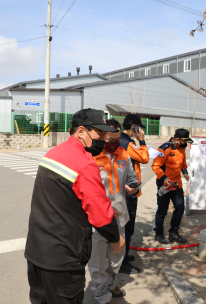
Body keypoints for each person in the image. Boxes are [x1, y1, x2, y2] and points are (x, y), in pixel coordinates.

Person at [25, 108, 125, 304]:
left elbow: (63, 198)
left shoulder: (54, 153)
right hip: (64, 257)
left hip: (36, 251)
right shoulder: (85, 163)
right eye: (100, 133)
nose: (104, 139)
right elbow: (100, 215)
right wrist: (115, 237)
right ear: (81, 131)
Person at [88, 119, 140, 304]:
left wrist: (134, 186)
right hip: (98, 218)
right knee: (98, 259)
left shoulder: (123, 154)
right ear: (101, 137)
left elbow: (133, 177)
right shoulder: (91, 158)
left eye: (118, 139)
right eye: (111, 140)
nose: (115, 144)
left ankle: (111, 283)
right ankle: (101, 293)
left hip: (120, 215)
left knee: (117, 255)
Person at [119, 114, 149, 274]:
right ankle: (122, 263)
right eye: (139, 127)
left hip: (124, 189)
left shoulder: (121, 140)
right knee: (127, 228)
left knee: (125, 227)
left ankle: (123, 256)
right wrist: (141, 140)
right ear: (134, 127)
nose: (141, 130)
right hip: (128, 192)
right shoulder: (128, 143)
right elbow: (144, 158)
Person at [152, 128, 193, 244]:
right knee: (162, 210)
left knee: (180, 208)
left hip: (177, 184)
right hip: (165, 184)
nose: (186, 144)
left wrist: (185, 173)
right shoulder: (164, 149)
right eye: (185, 141)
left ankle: (174, 233)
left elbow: (183, 164)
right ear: (178, 139)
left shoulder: (182, 149)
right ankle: (159, 233)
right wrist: (164, 178)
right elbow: (155, 166)